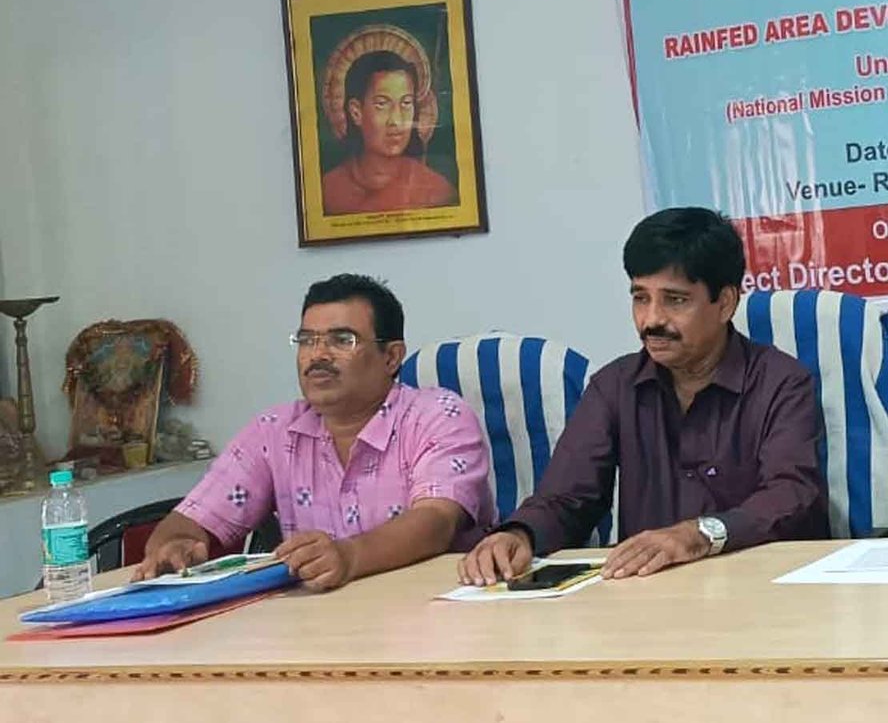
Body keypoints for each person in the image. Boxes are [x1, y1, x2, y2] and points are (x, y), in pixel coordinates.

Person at [459, 207, 827, 584]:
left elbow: (790, 494)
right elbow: (567, 498)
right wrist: (519, 534)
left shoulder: (781, 382)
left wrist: (701, 534)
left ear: (725, 303)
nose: (652, 319)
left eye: (675, 300)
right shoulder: (614, 386)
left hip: (761, 586)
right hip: (647, 593)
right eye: (640, 298)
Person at [133, 274, 493, 592]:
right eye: (307, 340)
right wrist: (176, 544)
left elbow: (436, 522)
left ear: (391, 357)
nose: (318, 355)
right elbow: (190, 519)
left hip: (433, 612)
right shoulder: (274, 432)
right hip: (316, 624)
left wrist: (349, 556)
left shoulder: (437, 415)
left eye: (342, 340)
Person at [321, 50, 458, 215]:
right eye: (382, 104)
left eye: (406, 103)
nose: (396, 120)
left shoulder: (436, 192)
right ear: (356, 112)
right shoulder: (327, 191)